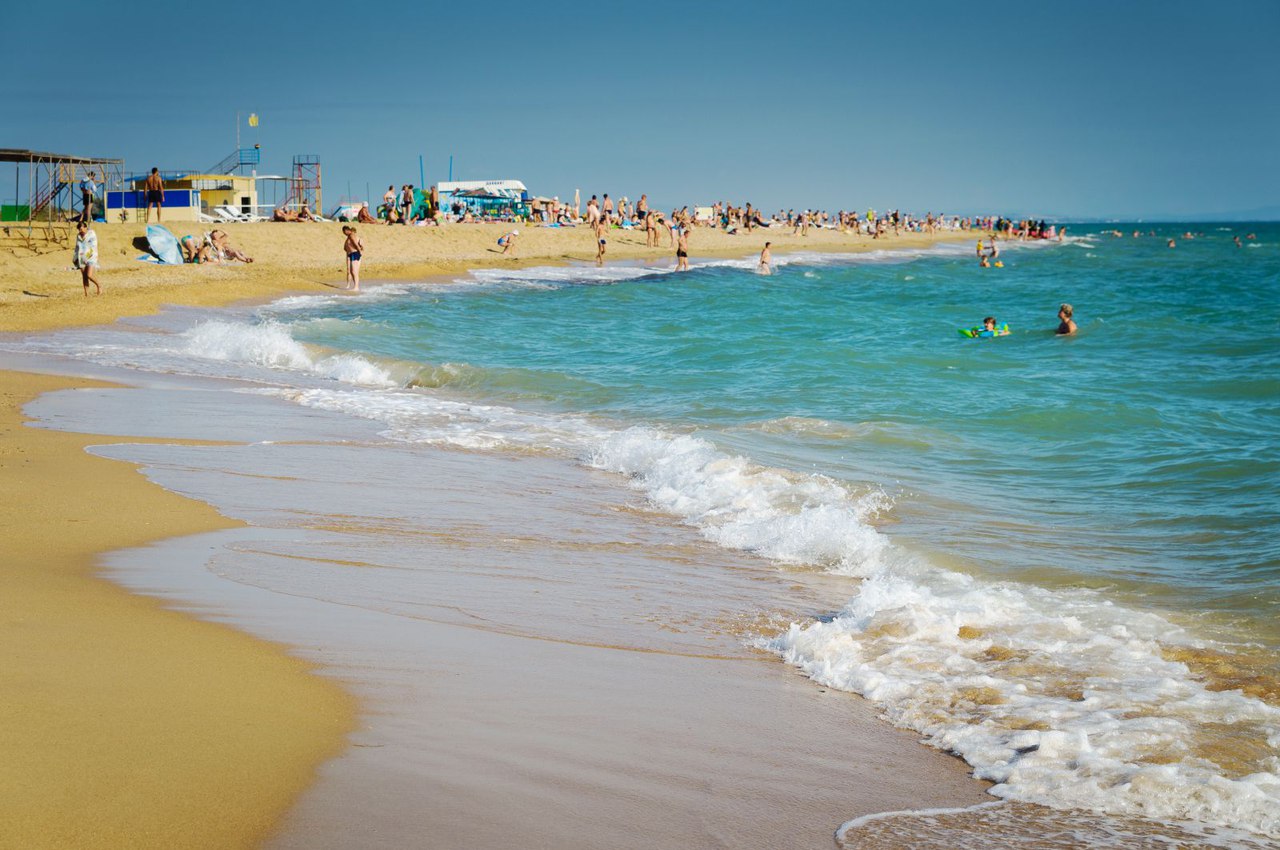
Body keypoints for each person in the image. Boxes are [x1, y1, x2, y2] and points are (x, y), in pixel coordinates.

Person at [74, 220, 100, 296]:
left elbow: (93, 246)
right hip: (81, 257)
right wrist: (75, 257)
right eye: (79, 230)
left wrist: (88, 255)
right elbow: (77, 247)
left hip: (91, 256)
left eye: (81, 229)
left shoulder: (91, 233)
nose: (80, 231)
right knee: (84, 276)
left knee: (89, 275)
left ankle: (99, 285)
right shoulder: (78, 236)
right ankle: (86, 294)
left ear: (86, 228)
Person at [342, 225, 363, 291]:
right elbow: (345, 247)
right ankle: (355, 286)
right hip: (351, 254)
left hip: (355, 253)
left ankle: (356, 287)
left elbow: (355, 243)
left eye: (344, 232)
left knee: (354, 271)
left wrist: (359, 251)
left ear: (346, 230)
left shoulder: (351, 235)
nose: (344, 234)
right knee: (352, 271)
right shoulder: (348, 237)